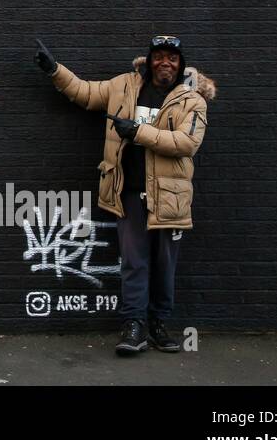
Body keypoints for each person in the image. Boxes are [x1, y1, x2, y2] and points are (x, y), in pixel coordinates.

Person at [34, 36, 216, 355]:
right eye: (158, 56)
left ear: (180, 64)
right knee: (134, 263)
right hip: (128, 194)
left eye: (172, 58)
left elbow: (187, 144)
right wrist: (55, 71)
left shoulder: (193, 101)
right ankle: (134, 326)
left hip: (170, 199)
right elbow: (85, 92)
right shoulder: (124, 86)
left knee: (164, 266)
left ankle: (159, 324)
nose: (165, 63)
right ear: (148, 60)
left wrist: (137, 132)